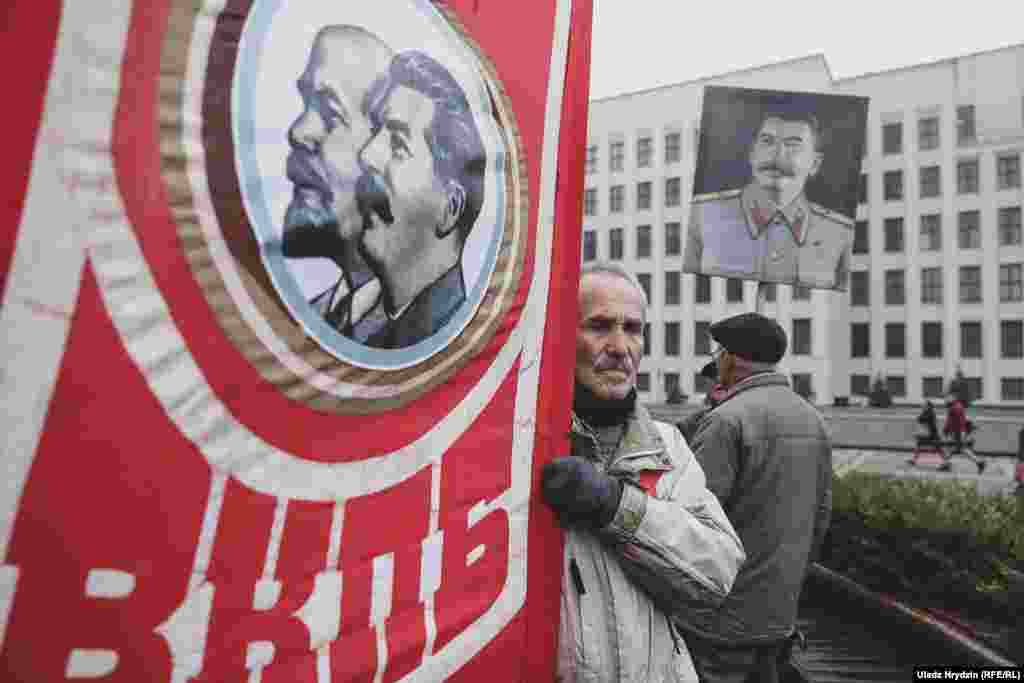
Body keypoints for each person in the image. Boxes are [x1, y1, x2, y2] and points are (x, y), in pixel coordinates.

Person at [543, 261, 745, 682]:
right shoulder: (520, 449)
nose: (620, 346)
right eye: (599, 326)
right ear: (559, 333)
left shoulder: (668, 446)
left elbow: (717, 573)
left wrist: (619, 508)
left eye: (632, 328)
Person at [680, 312, 832, 683]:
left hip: (719, 623)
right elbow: (821, 520)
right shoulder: (813, 420)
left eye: (719, 352)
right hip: (780, 617)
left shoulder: (726, 421)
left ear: (730, 357)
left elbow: (691, 529)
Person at [353, 50, 487, 349]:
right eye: (376, 133)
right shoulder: (356, 323)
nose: (367, 156)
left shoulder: (446, 341)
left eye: (398, 144)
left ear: (450, 208)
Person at [283, 25, 394, 342]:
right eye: (306, 104)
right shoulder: (309, 323)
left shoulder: (416, 332)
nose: (298, 132)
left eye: (330, 112)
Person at [683, 107, 852, 289]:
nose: (777, 156)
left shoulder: (841, 235)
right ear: (751, 154)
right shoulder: (701, 216)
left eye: (793, 145)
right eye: (767, 141)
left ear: (815, 164)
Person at [940, 394, 986, 474]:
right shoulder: (957, 406)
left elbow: (954, 422)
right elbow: (960, 421)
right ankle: (945, 464)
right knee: (955, 449)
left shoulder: (954, 408)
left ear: (953, 399)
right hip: (958, 432)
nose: (945, 400)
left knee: (959, 449)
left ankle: (980, 462)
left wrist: (947, 430)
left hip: (958, 432)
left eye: (947, 398)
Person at [907, 400, 942, 466]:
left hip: (932, 434)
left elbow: (920, 419)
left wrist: (922, 415)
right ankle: (914, 460)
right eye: (923, 405)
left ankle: (946, 461)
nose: (923, 406)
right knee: (919, 444)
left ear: (928, 406)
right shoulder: (927, 412)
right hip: (930, 434)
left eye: (924, 405)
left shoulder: (930, 413)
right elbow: (920, 419)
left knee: (938, 448)